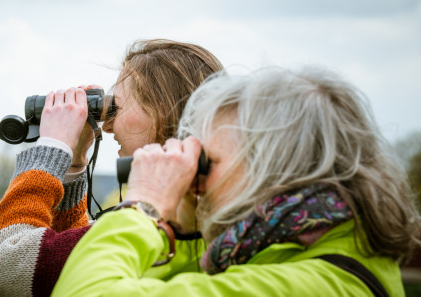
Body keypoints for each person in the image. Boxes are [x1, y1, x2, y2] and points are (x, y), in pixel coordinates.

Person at [51, 66, 421, 296]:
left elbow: (84, 290)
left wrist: (142, 206)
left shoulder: (319, 285)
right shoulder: (276, 249)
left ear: (273, 170)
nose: (195, 179)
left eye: (205, 162)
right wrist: (184, 222)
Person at [0, 39, 224, 296]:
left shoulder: (161, 227)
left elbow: (0, 266)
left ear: (162, 110)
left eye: (117, 107)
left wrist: (51, 149)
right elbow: (67, 260)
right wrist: (75, 160)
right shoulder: (202, 218)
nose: (107, 126)